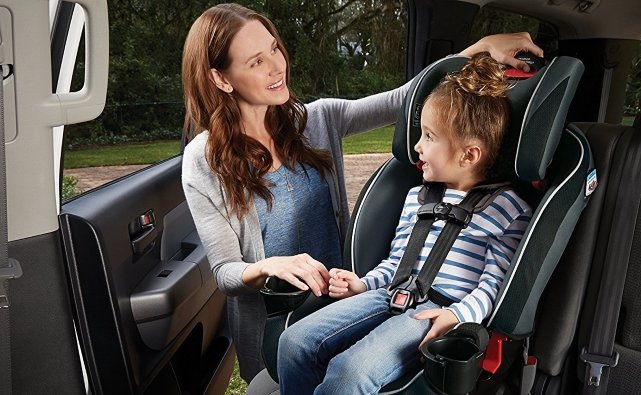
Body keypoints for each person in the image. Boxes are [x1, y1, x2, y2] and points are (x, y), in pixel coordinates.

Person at [180, 2, 544, 383]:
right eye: (256, 62)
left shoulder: (317, 120)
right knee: (284, 365)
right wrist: (270, 266)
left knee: (348, 373)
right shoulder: (202, 163)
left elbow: (404, 97)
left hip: (343, 293)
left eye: (274, 49)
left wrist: (478, 48)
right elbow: (224, 272)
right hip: (277, 314)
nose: (276, 66)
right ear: (221, 79)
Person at [276, 53, 534, 394]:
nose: (416, 146)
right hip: (388, 294)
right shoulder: (418, 197)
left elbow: (494, 284)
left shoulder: (507, 208)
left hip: (438, 310)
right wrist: (363, 285)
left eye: (429, 137)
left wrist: (458, 317)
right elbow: (396, 264)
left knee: (350, 371)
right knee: (293, 342)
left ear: (468, 155)